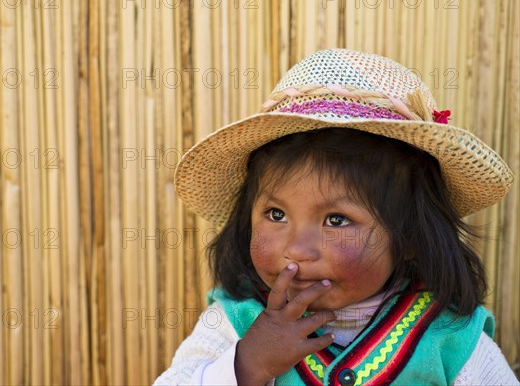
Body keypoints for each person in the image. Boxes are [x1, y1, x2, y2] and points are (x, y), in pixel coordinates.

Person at [155, 49, 518, 385]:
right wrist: (246, 365)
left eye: (336, 220)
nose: (297, 250)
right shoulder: (235, 323)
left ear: (409, 237)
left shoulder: (448, 336)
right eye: (276, 213)